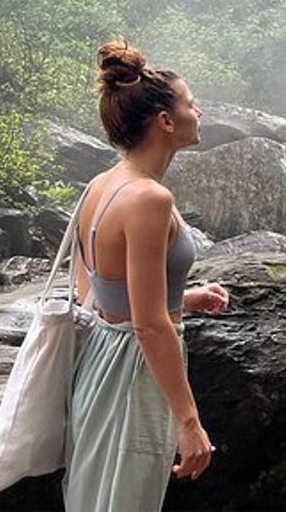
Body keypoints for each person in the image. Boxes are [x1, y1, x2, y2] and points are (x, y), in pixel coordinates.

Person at [63, 39, 230, 511]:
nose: (199, 110)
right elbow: (149, 325)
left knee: (97, 495)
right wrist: (189, 421)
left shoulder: (103, 183)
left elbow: (91, 282)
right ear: (166, 122)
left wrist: (182, 297)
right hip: (133, 372)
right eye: (191, 102)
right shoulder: (149, 200)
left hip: (100, 361)